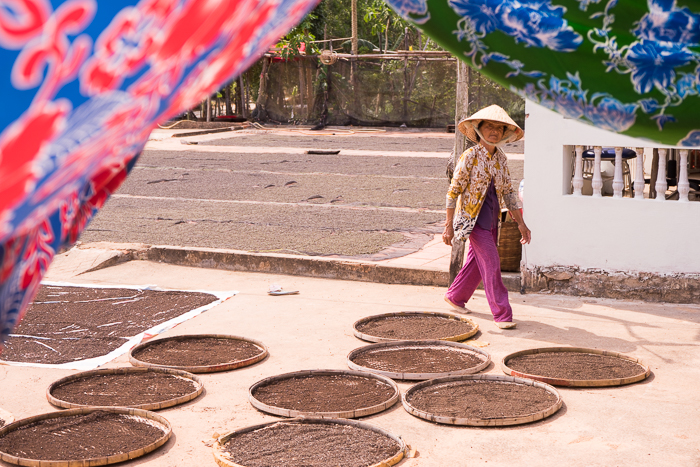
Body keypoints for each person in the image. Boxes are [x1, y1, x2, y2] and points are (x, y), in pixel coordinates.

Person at [442, 105, 531, 329]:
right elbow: (453, 192)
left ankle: (455, 296)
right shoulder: (470, 156)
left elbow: (509, 193)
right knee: (491, 263)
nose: (494, 131)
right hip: (473, 222)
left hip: (493, 220)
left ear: (504, 133)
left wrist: (521, 223)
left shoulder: (501, 159)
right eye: (489, 127)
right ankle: (502, 314)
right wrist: (448, 226)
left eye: (499, 128)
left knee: (475, 264)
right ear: (479, 129)